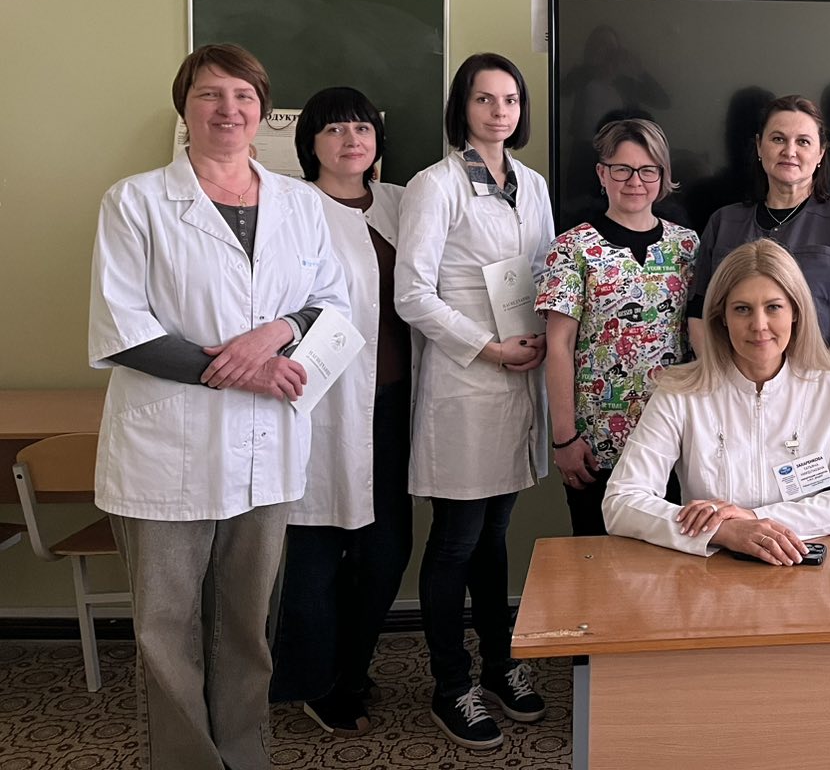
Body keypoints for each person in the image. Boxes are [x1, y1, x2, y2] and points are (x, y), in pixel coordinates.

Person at [87, 44, 348, 770]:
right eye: (209, 94)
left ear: (262, 111)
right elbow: (123, 329)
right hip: (167, 448)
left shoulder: (300, 203)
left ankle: (243, 751)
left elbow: (331, 302)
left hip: (267, 449)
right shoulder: (136, 201)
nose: (227, 109)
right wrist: (245, 374)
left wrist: (279, 331)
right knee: (166, 630)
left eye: (242, 96)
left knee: (245, 622)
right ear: (185, 108)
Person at [395, 52, 555, 751]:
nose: (499, 111)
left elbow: (547, 271)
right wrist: (488, 347)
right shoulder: (435, 186)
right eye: (485, 99)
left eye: (510, 99)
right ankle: (449, 682)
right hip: (465, 382)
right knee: (457, 539)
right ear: (462, 106)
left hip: (521, 378)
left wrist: (543, 338)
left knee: (495, 538)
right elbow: (411, 294)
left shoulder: (533, 184)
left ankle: (499, 665)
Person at [270, 87, 413, 735]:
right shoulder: (291, 207)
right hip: (322, 407)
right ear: (310, 143)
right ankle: (314, 681)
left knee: (387, 550)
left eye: (362, 127)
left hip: (395, 404)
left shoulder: (400, 202)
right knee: (318, 547)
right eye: (333, 129)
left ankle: (351, 666)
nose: (351, 139)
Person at [602, 240, 830, 556]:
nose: (759, 326)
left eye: (773, 307)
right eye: (742, 309)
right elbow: (621, 502)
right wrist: (723, 531)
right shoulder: (679, 393)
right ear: (722, 317)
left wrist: (755, 520)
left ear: (795, 312)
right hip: (709, 571)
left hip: (803, 567)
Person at [538, 118, 699, 534]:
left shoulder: (687, 246)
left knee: (673, 556)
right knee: (597, 556)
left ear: (662, 175)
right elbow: (559, 347)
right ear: (602, 173)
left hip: (675, 439)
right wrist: (564, 438)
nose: (635, 181)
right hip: (596, 442)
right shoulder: (572, 248)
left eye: (648, 170)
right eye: (622, 169)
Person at [687, 95, 830, 389]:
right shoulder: (723, 223)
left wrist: (812, 393)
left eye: (803, 142)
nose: (789, 151)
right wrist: (729, 385)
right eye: (778, 139)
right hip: (734, 394)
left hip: (820, 396)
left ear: (820, 153)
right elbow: (700, 316)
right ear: (759, 146)